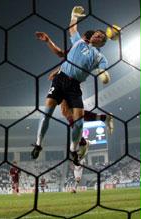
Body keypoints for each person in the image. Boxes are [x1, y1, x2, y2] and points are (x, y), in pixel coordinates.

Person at [31, 6, 110, 166]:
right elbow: (70, 32)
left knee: (76, 120)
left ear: (101, 42)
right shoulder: (78, 44)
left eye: (100, 36)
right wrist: (73, 16)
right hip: (60, 80)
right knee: (49, 113)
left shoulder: (99, 56)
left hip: (74, 86)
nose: (96, 35)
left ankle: (75, 149)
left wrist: (103, 74)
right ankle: (39, 144)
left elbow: (103, 71)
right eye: (95, 33)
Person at [35, 30, 114, 134]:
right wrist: (48, 41)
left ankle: (83, 142)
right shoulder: (78, 46)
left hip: (71, 82)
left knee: (67, 112)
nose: (82, 38)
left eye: (84, 36)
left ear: (86, 38)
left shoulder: (88, 51)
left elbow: (77, 66)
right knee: (68, 112)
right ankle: (103, 118)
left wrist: (58, 71)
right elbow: (61, 54)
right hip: (62, 79)